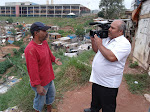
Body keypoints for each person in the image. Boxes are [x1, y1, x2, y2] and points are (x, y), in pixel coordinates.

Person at [84, 20, 131, 112]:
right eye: (110, 27)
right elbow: (97, 50)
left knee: (108, 107)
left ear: (120, 31)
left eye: (112, 28)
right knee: (95, 101)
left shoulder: (124, 44)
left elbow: (111, 57)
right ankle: (94, 109)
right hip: (97, 79)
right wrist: (94, 41)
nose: (109, 29)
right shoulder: (107, 39)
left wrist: (100, 44)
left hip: (108, 83)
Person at [24, 22, 62, 112]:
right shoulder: (30, 49)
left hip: (48, 77)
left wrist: (54, 59)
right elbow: (32, 70)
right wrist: (38, 86)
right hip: (40, 82)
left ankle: (49, 110)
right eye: (44, 31)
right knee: (40, 102)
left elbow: (48, 53)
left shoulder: (44, 42)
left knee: (51, 95)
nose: (46, 33)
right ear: (36, 33)